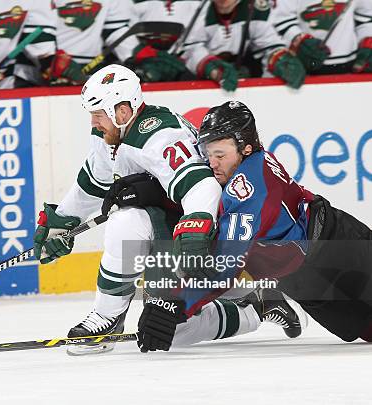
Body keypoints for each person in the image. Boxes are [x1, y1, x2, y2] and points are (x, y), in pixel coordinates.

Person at [33, 64, 305, 354]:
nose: (94, 122)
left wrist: (194, 233)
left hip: (207, 237)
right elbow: (93, 183)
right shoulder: (109, 135)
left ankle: (257, 307)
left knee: (171, 329)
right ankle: (107, 317)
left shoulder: (159, 135)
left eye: (99, 114)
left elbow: (203, 188)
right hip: (170, 228)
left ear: (122, 111)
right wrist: (63, 221)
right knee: (127, 225)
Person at [139, 100, 372, 353]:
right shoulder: (242, 163)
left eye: (219, 155)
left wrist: (176, 305)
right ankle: (264, 299)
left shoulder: (248, 188)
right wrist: (156, 192)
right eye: (208, 154)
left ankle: (262, 299)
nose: (212, 163)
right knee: (367, 329)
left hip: (336, 246)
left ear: (246, 148)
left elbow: (224, 267)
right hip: (299, 276)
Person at [182, 0, 306, 91]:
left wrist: (280, 59)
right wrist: (212, 69)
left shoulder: (255, 8)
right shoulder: (197, 8)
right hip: (199, 80)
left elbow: (268, 42)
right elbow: (189, 48)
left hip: (240, 73)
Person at [54, 0, 182, 82]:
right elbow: (38, 28)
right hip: (47, 70)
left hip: (91, 69)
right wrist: (48, 59)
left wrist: (137, 53)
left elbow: (113, 30)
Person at [271, 0, 372, 74]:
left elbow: (366, 19)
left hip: (351, 67)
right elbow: (280, 21)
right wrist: (299, 41)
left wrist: (367, 40)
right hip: (305, 69)